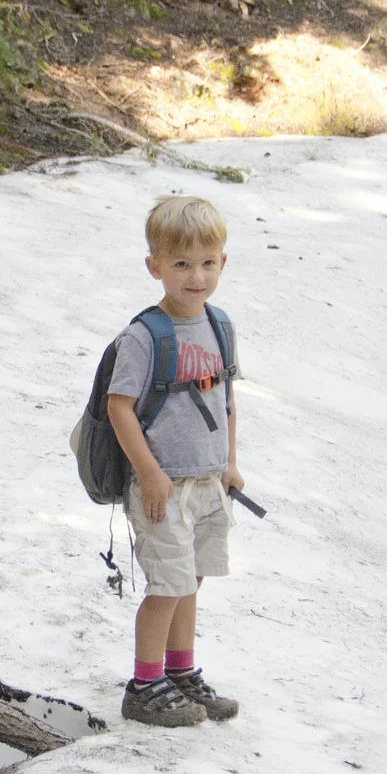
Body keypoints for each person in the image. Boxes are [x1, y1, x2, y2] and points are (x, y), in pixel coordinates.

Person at [103, 196, 246, 728]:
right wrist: (149, 473)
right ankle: (144, 685)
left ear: (223, 263)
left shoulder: (220, 326)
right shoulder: (145, 336)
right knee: (166, 587)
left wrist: (229, 463)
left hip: (209, 483)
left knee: (191, 581)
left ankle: (180, 672)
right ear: (155, 266)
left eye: (208, 263)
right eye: (181, 263)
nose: (196, 276)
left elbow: (225, 400)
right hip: (161, 487)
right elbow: (120, 407)